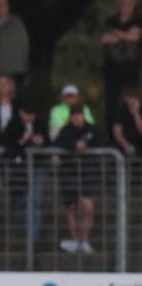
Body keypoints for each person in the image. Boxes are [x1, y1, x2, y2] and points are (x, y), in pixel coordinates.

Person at [54, 105, 101, 254]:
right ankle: (76, 241)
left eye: (79, 115)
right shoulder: (65, 131)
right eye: (74, 115)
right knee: (72, 208)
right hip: (69, 175)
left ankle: (84, 240)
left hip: (87, 174)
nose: (77, 118)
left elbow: (100, 142)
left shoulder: (92, 130)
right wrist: (74, 146)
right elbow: (58, 145)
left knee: (87, 206)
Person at [3, 103, 47, 243]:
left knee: (36, 202)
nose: (30, 118)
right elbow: (8, 145)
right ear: (22, 113)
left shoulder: (40, 123)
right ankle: (26, 236)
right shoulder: (13, 125)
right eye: (27, 115)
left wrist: (42, 141)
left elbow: (50, 141)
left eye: (32, 115)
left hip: (36, 167)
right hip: (19, 170)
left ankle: (34, 239)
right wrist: (23, 140)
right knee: (21, 203)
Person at [101, 0, 141, 132]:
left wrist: (117, 34)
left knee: (131, 100)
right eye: (123, 3)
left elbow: (136, 38)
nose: (126, 6)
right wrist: (127, 35)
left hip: (131, 67)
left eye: (129, 3)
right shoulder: (111, 21)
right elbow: (105, 39)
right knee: (111, 102)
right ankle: (112, 135)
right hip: (112, 68)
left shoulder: (138, 20)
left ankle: (132, 133)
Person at [112, 86, 142, 156]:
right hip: (126, 146)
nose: (131, 100)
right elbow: (117, 131)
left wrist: (136, 114)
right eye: (128, 97)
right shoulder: (121, 110)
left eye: (133, 97)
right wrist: (125, 144)